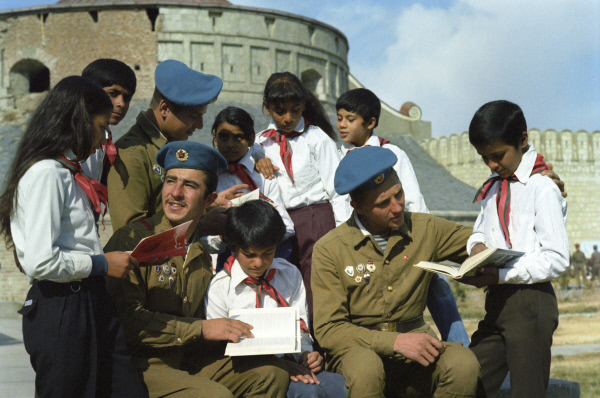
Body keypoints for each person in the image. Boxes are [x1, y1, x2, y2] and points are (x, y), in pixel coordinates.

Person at [104, 141, 289, 398]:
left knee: (271, 374)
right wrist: (201, 329)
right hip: (144, 365)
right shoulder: (133, 241)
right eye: (170, 181)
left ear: (209, 199)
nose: (176, 193)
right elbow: (128, 321)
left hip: (189, 360)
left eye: (189, 185)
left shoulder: (200, 251)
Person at [0, 76, 147, 397]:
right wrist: (101, 264)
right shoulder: (46, 174)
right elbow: (41, 262)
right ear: (77, 122)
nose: (103, 139)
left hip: (90, 299)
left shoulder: (71, 173)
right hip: (63, 307)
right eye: (101, 127)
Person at [311, 146, 481, 397]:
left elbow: (481, 237)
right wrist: (395, 343)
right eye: (383, 203)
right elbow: (329, 330)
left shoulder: (425, 229)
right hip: (358, 350)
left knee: (463, 364)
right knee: (365, 370)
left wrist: (479, 245)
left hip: (418, 342)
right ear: (357, 206)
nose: (397, 206)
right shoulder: (330, 249)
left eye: (399, 193)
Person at [336, 87, 470, 346]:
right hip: (362, 242)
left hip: (400, 237)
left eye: (349, 119)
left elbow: (412, 200)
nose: (342, 125)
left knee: (435, 286)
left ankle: (460, 346)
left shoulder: (394, 153)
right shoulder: (338, 156)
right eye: (339, 118)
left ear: (371, 122)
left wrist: (421, 241)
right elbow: (339, 203)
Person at [459, 100, 569, 397]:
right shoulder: (494, 186)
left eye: (497, 155)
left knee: (527, 391)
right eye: (484, 158)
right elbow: (479, 228)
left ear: (522, 140)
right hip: (497, 302)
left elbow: (557, 259)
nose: (492, 165)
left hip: (531, 302)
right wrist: (477, 246)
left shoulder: (541, 187)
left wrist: (500, 275)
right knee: (466, 379)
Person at [205, 200, 347, 398]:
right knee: (308, 393)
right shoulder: (219, 288)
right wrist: (280, 365)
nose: (259, 262)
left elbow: (300, 326)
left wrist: (306, 355)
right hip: (252, 373)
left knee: (339, 387)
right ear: (234, 248)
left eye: (267, 253)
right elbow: (222, 351)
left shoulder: (289, 273)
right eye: (249, 254)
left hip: (293, 363)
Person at [254, 71, 351, 327]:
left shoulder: (316, 138)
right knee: (285, 282)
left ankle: (322, 344)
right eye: (279, 110)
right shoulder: (259, 143)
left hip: (316, 219)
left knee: (316, 283)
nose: (288, 118)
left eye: (295, 110)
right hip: (280, 224)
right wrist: (256, 159)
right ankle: (293, 345)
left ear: (304, 107)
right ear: (267, 108)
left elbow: (337, 189)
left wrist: (343, 234)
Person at [107, 59, 223, 230]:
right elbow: (130, 235)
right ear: (164, 109)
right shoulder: (131, 154)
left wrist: (206, 204)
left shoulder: (168, 145)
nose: (200, 125)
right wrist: (201, 225)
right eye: (193, 116)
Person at [207, 106, 295, 266]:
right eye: (223, 137)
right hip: (228, 259)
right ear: (214, 137)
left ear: (251, 138)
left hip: (268, 257)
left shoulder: (263, 174)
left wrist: (257, 241)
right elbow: (203, 238)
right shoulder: (208, 179)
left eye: (238, 137)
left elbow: (286, 226)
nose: (230, 144)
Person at [81, 58, 136, 185]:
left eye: (127, 98)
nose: (121, 104)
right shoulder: (71, 140)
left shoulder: (105, 136)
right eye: (113, 94)